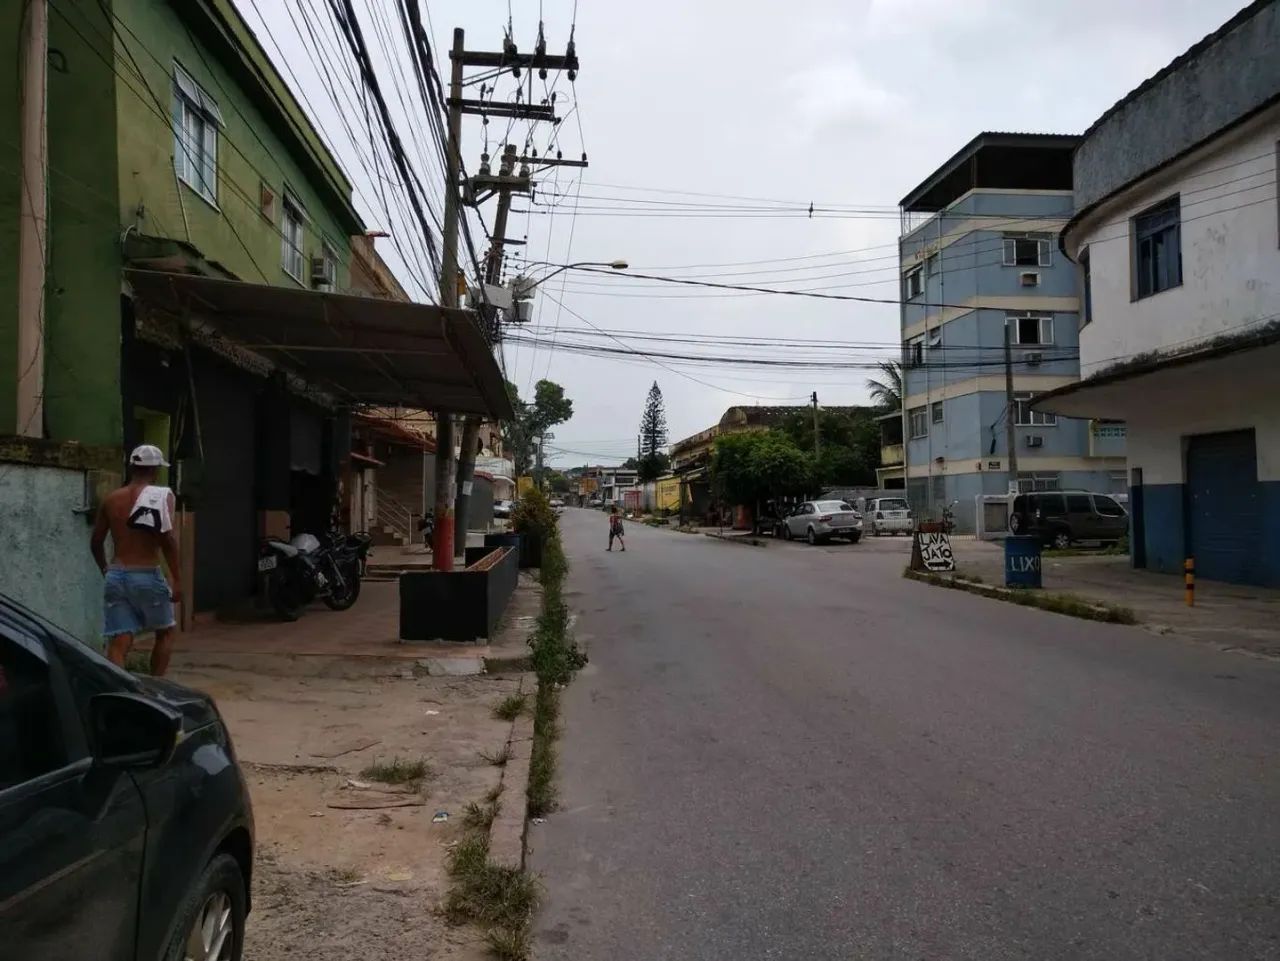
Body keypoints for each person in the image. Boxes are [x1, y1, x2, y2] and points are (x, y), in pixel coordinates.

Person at [90, 445, 182, 676]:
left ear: (132, 467)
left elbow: (96, 541)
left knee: (120, 638)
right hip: (146, 573)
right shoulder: (161, 496)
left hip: (116, 574)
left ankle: (120, 693)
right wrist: (177, 579)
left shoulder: (112, 498)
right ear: (156, 470)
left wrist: (106, 569)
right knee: (165, 632)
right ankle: (156, 689)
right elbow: (167, 540)